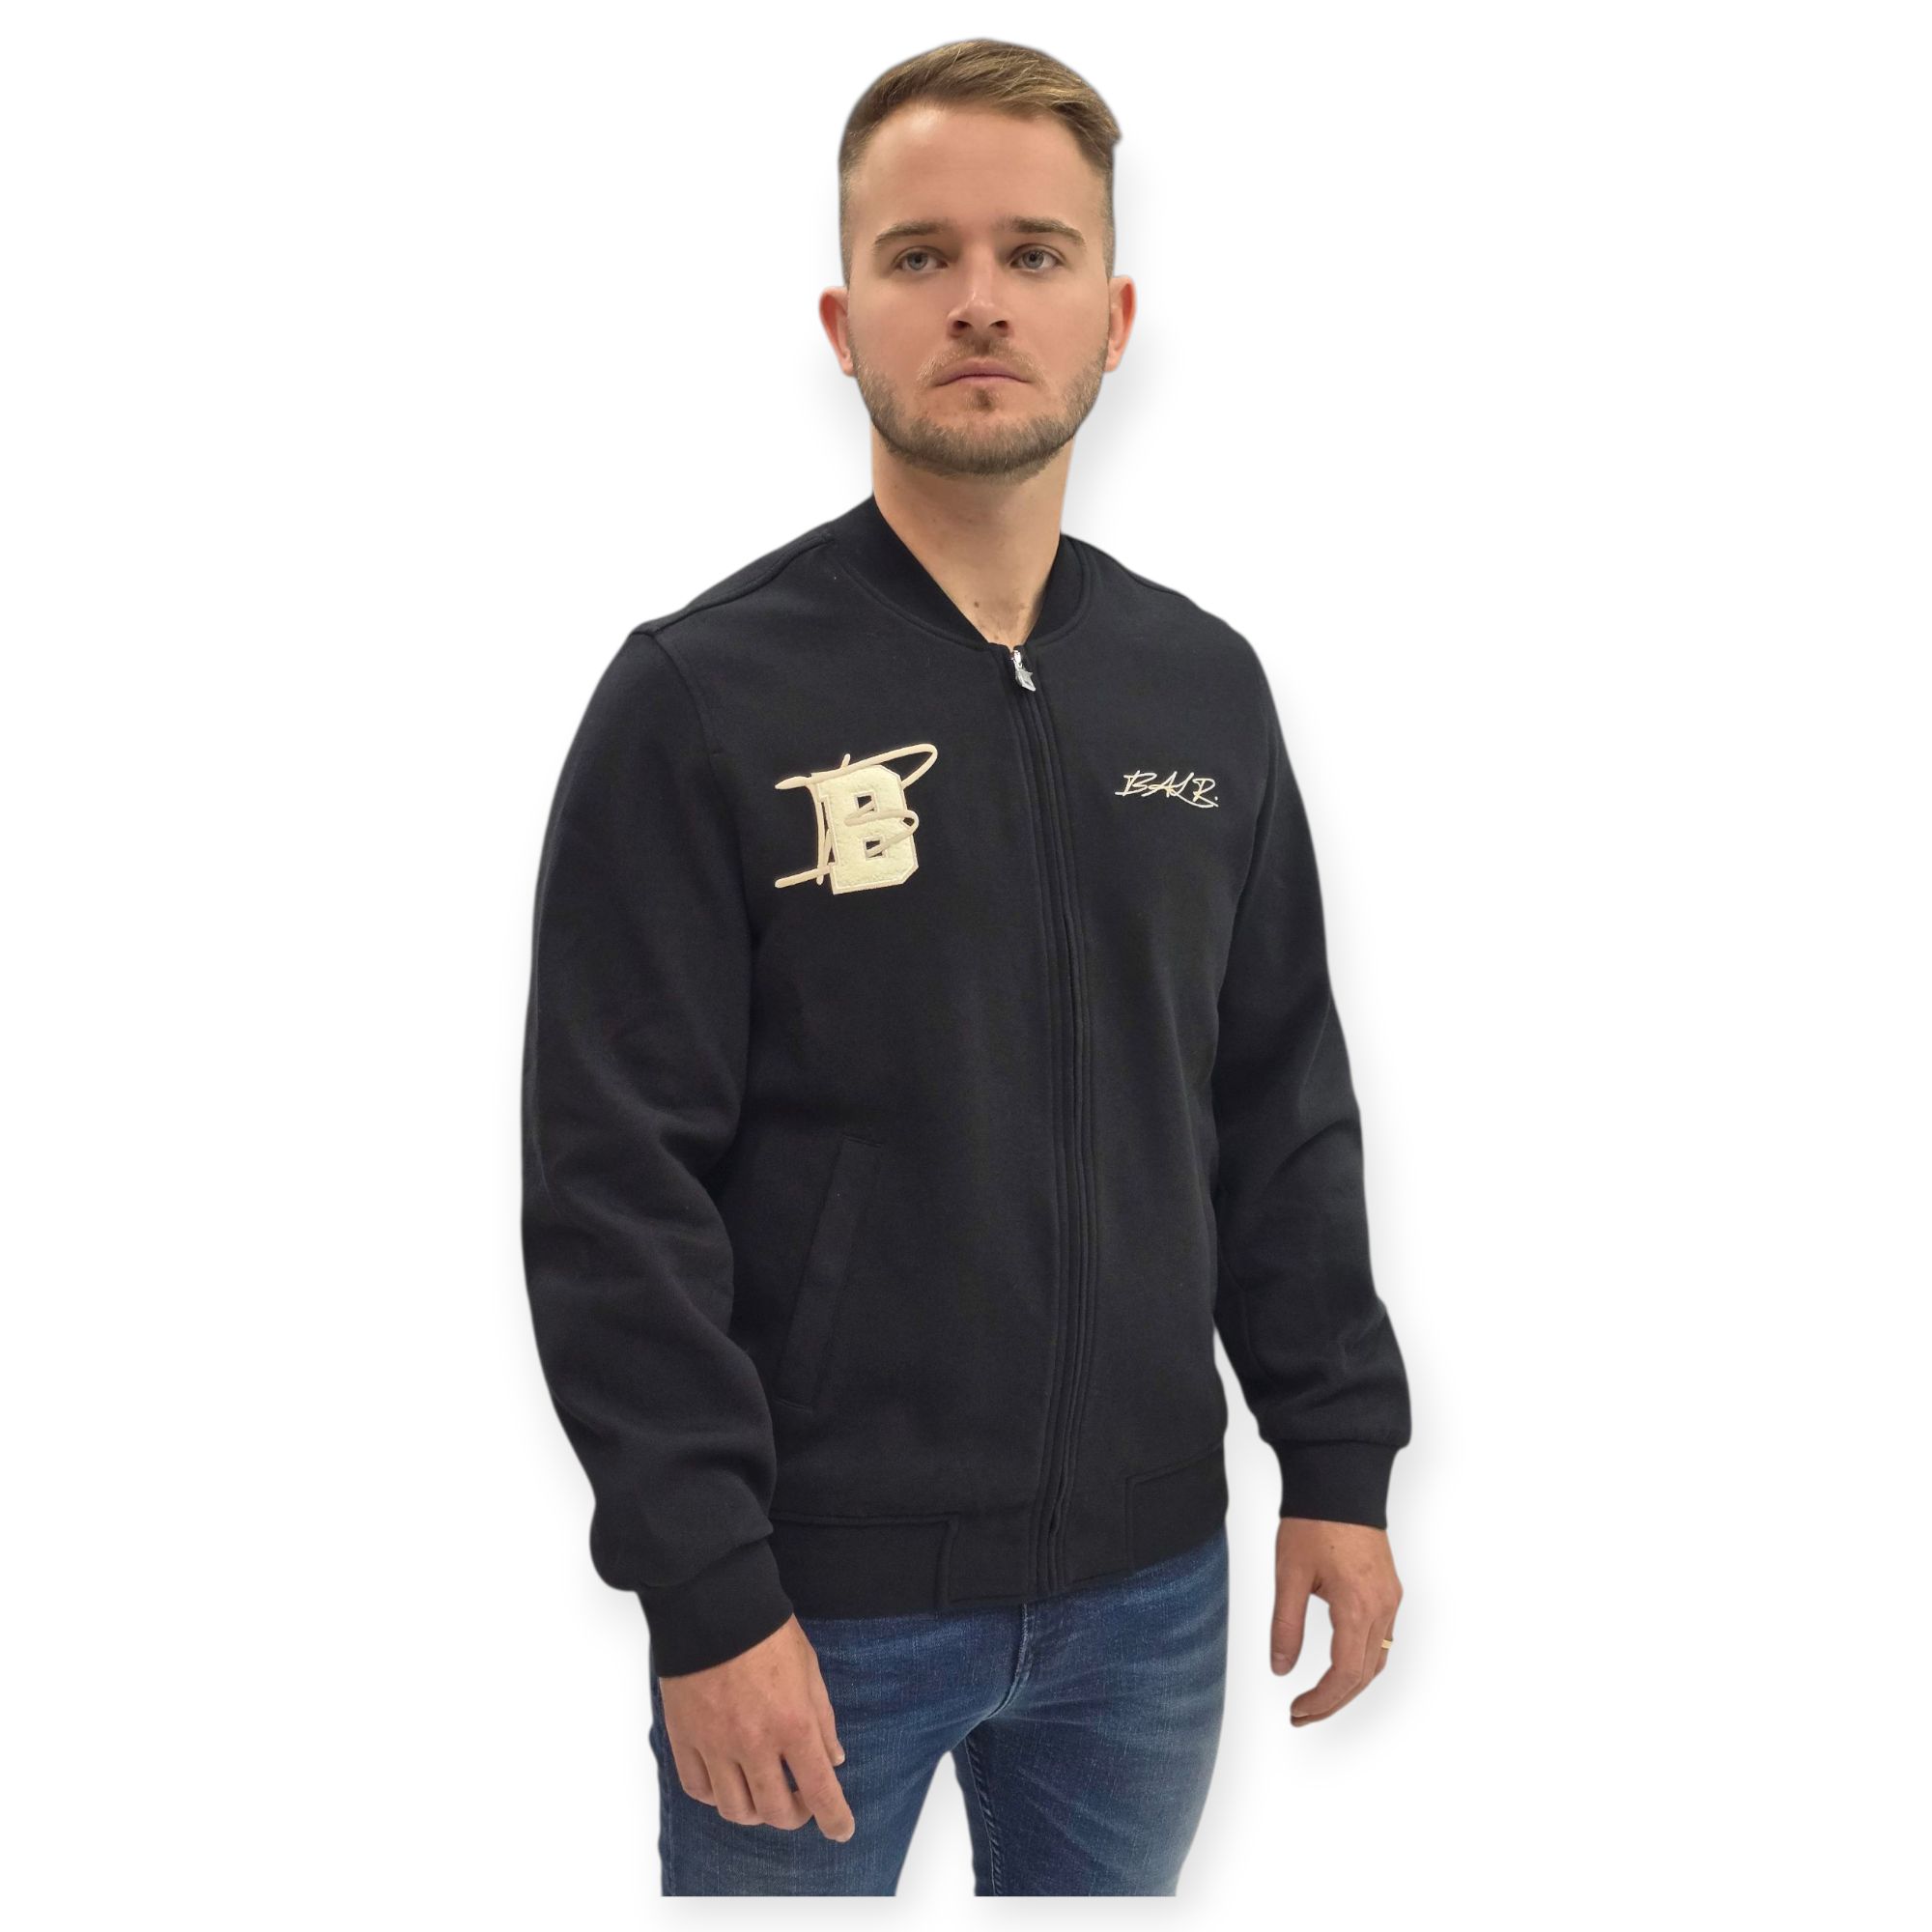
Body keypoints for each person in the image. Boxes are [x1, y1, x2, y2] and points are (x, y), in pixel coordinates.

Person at [520, 36, 1411, 1897]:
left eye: (1036, 252)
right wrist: (707, 1591)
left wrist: (1334, 1462)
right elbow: (612, 1185)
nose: (981, 300)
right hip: (812, 1612)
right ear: (843, 321)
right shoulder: (700, 699)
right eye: (920, 256)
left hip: (1151, 1602)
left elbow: (1279, 1106)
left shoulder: (1202, 690)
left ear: (1116, 315)